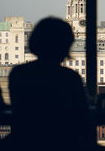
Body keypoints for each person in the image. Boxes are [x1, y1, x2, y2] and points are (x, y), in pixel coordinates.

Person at [8, 17, 92, 151]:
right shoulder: (70, 77)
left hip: (24, 142)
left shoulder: (18, 74)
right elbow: (82, 118)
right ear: (65, 45)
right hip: (63, 142)